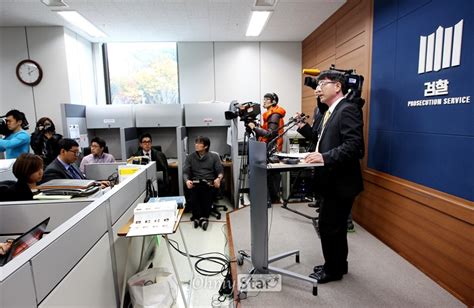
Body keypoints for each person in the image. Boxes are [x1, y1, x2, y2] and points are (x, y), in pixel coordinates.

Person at [301, 70, 364, 283]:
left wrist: (324, 157)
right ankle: (339, 265)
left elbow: (355, 147)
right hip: (332, 181)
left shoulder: (347, 110)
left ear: (337, 86)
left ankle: (332, 270)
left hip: (341, 182)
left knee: (329, 227)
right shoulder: (331, 111)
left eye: (322, 84)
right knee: (334, 228)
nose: (318, 89)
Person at [247, 92, 286, 204]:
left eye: (266, 99)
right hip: (268, 149)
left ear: (273, 101)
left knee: (269, 176)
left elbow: (270, 134)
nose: (264, 101)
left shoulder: (274, 114)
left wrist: (255, 128)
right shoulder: (269, 114)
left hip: (272, 151)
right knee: (269, 175)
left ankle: (270, 200)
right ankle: (270, 199)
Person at [183, 136, 224, 231]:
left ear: (205, 146)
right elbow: (185, 172)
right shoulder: (190, 157)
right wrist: (187, 180)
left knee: (205, 190)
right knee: (195, 191)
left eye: (199, 143)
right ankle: (201, 218)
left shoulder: (214, 157)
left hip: (209, 183)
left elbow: (220, 171)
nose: (196, 145)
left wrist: (218, 179)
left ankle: (199, 218)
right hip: (196, 182)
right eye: (196, 142)